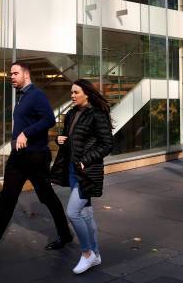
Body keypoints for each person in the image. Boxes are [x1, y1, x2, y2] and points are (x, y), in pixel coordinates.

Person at [0, 62, 72, 259]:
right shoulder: (22, 97)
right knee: (6, 199)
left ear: (26, 74)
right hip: (18, 157)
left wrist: (26, 133)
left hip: (35, 156)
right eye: (10, 74)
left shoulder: (37, 95)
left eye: (15, 73)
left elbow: (49, 119)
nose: (11, 77)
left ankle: (65, 234)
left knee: (46, 197)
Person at [50, 79, 114, 274]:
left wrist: (86, 160)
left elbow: (106, 144)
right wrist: (59, 139)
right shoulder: (71, 114)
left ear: (86, 93)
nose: (72, 95)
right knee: (86, 213)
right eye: (71, 92)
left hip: (87, 171)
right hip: (72, 170)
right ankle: (96, 253)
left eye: (75, 92)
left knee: (73, 212)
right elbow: (71, 141)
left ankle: (87, 253)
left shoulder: (97, 115)